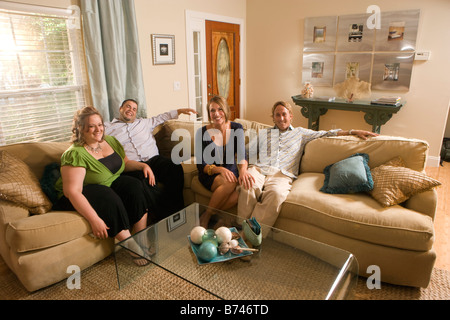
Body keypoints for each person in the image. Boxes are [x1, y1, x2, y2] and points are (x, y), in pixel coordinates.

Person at [238, 100, 378, 228]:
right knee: (248, 185)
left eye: (284, 114)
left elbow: (327, 133)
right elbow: (243, 152)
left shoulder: (301, 133)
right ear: (273, 118)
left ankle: (250, 237)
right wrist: (243, 171)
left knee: (276, 194)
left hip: (283, 174)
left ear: (291, 116)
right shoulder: (263, 134)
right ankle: (238, 230)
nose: (281, 118)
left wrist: (352, 131)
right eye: (277, 115)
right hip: (259, 169)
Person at [54, 106, 152, 265]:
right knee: (105, 194)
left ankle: (142, 239)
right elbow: (72, 192)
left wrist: (143, 166)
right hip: (76, 195)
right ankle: (133, 247)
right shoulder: (75, 153)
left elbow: (125, 163)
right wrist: (95, 220)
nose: (97, 129)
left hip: (106, 185)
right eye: (91, 126)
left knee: (134, 185)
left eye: (100, 124)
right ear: (81, 129)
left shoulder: (111, 141)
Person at [105, 99, 197, 221]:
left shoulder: (144, 123)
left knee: (174, 167)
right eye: (128, 107)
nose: (131, 110)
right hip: (133, 165)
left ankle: (176, 212)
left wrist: (179, 111)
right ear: (120, 109)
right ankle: (165, 218)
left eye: (134, 109)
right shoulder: (107, 128)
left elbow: (162, 117)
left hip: (154, 160)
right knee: (145, 182)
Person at [195, 96, 254, 225]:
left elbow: (242, 154)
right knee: (230, 182)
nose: (216, 113)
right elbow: (200, 164)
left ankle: (208, 213)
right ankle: (208, 217)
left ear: (226, 110)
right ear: (209, 113)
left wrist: (243, 171)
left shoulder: (236, 128)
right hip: (209, 174)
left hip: (231, 171)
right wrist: (220, 169)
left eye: (220, 109)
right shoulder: (201, 133)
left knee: (242, 193)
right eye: (212, 110)